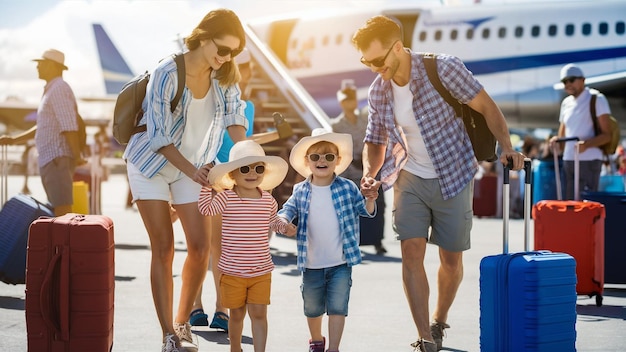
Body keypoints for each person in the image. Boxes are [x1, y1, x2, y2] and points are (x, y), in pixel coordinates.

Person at [351, 16, 525, 352]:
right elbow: (375, 139)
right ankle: (425, 337)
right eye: (366, 62)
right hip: (409, 176)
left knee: (451, 260)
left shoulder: (443, 69)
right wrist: (370, 173)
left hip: (454, 173)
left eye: (377, 60)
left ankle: (439, 319)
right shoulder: (379, 90)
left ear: (398, 47)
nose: (373, 68)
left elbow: (487, 106)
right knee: (411, 251)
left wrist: (507, 146)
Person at [123, 9, 249, 352]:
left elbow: (235, 118)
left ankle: (182, 325)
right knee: (163, 248)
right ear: (204, 37)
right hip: (151, 163)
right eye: (222, 49)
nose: (226, 57)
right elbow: (159, 136)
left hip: (194, 166)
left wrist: (246, 156)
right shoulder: (167, 72)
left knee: (200, 246)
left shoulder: (225, 75)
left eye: (234, 52)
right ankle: (167, 335)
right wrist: (192, 170)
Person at [277, 128, 377, 352]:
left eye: (328, 156)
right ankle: (316, 340)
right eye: (316, 156)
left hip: (340, 262)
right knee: (312, 308)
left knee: (338, 307)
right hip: (311, 263)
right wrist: (284, 223)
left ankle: (334, 348)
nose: (322, 160)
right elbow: (286, 210)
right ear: (307, 161)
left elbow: (365, 210)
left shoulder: (348, 188)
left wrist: (370, 198)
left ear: (337, 160)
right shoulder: (300, 190)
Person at [198, 140, 291, 352]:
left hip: (261, 270)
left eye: (258, 168)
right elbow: (206, 210)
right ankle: (235, 348)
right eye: (244, 168)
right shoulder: (226, 197)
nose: (252, 173)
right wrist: (205, 186)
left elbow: (273, 222)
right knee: (237, 313)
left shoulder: (268, 200)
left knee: (259, 313)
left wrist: (284, 227)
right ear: (232, 175)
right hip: (232, 271)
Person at [189, 47, 255, 332]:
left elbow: (241, 142)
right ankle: (196, 306)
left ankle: (219, 308)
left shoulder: (246, 106)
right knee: (200, 246)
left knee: (217, 248)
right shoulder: (207, 98)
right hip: (202, 175)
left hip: (227, 181)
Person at [0, 49, 83, 216]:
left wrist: (76, 156)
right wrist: (14, 140)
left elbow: (68, 126)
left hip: (57, 159)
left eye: (41, 63)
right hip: (52, 160)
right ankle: (59, 242)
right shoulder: (52, 89)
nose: (37, 67)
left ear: (52, 65)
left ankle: (63, 242)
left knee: (62, 210)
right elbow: (43, 126)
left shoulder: (59, 88)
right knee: (58, 208)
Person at [331, 79, 387, 255]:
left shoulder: (365, 119)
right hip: (349, 171)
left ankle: (377, 240)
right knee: (352, 207)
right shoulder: (336, 125)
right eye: (346, 99)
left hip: (370, 168)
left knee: (377, 203)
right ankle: (352, 241)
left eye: (352, 98)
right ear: (341, 101)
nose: (349, 103)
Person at [549, 64, 612, 200]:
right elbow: (563, 133)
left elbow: (607, 135)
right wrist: (556, 142)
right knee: (569, 202)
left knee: (586, 203)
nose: (568, 84)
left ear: (582, 80)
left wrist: (587, 144)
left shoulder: (596, 99)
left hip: (589, 159)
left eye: (571, 80)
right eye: (564, 81)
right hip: (569, 159)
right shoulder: (566, 103)